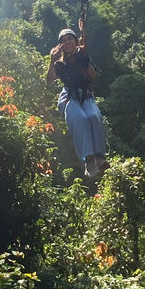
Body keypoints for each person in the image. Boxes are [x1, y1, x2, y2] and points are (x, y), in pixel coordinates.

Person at [46, 19, 109, 178]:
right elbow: (50, 79)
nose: (67, 42)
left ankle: (100, 158)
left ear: (75, 41)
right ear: (60, 46)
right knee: (80, 119)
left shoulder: (82, 56)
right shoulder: (60, 63)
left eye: (70, 39)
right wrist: (52, 60)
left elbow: (93, 76)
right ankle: (89, 160)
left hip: (85, 94)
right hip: (70, 97)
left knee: (94, 116)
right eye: (64, 41)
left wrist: (83, 34)